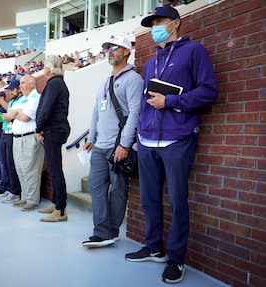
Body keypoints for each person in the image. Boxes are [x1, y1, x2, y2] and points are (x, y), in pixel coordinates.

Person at [124, 6, 218, 284]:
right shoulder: (152, 61)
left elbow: (209, 90)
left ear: (176, 24)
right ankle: (154, 247)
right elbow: (144, 101)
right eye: (152, 23)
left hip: (178, 139)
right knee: (149, 199)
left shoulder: (194, 51)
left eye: (160, 21)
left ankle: (176, 259)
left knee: (178, 202)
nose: (155, 27)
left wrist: (172, 101)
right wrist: (140, 134)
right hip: (148, 140)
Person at [82, 37, 143, 247]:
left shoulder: (133, 79)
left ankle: (110, 231)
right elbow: (95, 111)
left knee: (118, 189)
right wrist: (91, 137)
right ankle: (101, 230)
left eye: (114, 48)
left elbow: (135, 112)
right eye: (106, 48)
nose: (109, 51)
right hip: (100, 146)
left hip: (118, 145)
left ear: (126, 51)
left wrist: (125, 144)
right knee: (95, 185)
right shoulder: (105, 82)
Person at [35, 55, 71, 222]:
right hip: (55, 129)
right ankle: (56, 202)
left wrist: (38, 128)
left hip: (53, 130)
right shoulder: (56, 83)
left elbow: (45, 109)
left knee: (56, 171)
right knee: (54, 168)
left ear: (49, 68)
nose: (43, 68)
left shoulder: (55, 83)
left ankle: (60, 210)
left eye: (44, 65)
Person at [7, 74, 44, 211]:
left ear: (31, 84)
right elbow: (10, 113)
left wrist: (16, 112)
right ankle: (25, 197)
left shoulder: (36, 98)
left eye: (23, 83)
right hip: (17, 138)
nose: (20, 86)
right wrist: (17, 111)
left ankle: (33, 200)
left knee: (31, 171)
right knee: (21, 170)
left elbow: (24, 117)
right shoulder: (23, 99)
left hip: (29, 138)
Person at [0, 81, 23, 203]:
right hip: (4, 133)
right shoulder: (12, 101)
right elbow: (9, 111)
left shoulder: (22, 100)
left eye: (12, 90)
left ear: (19, 89)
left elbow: (12, 114)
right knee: (6, 163)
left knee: (12, 164)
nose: (10, 92)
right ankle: (10, 188)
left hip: (13, 134)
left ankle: (16, 191)